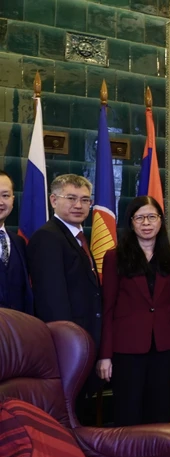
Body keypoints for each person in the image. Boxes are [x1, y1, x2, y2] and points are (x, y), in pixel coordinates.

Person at [95, 196, 170, 426]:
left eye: (152, 217)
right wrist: (105, 355)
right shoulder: (114, 257)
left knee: (159, 410)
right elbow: (108, 307)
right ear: (131, 222)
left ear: (160, 221)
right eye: (140, 218)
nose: (146, 223)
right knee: (128, 410)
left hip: (165, 346)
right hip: (127, 347)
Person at [27, 174, 102, 422]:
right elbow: (52, 298)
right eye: (71, 198)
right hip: (68, 345)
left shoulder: (78, 236)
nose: (79, 205)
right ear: (53, 200)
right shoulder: (48, 237)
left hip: (85, 340)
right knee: (69, 413)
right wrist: (70, 343)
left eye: (85, 200)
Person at [0, 171, 33, 314]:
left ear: (13, 199)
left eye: (5, 195)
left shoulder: (19, 242)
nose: (0, 202)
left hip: (17, 330)